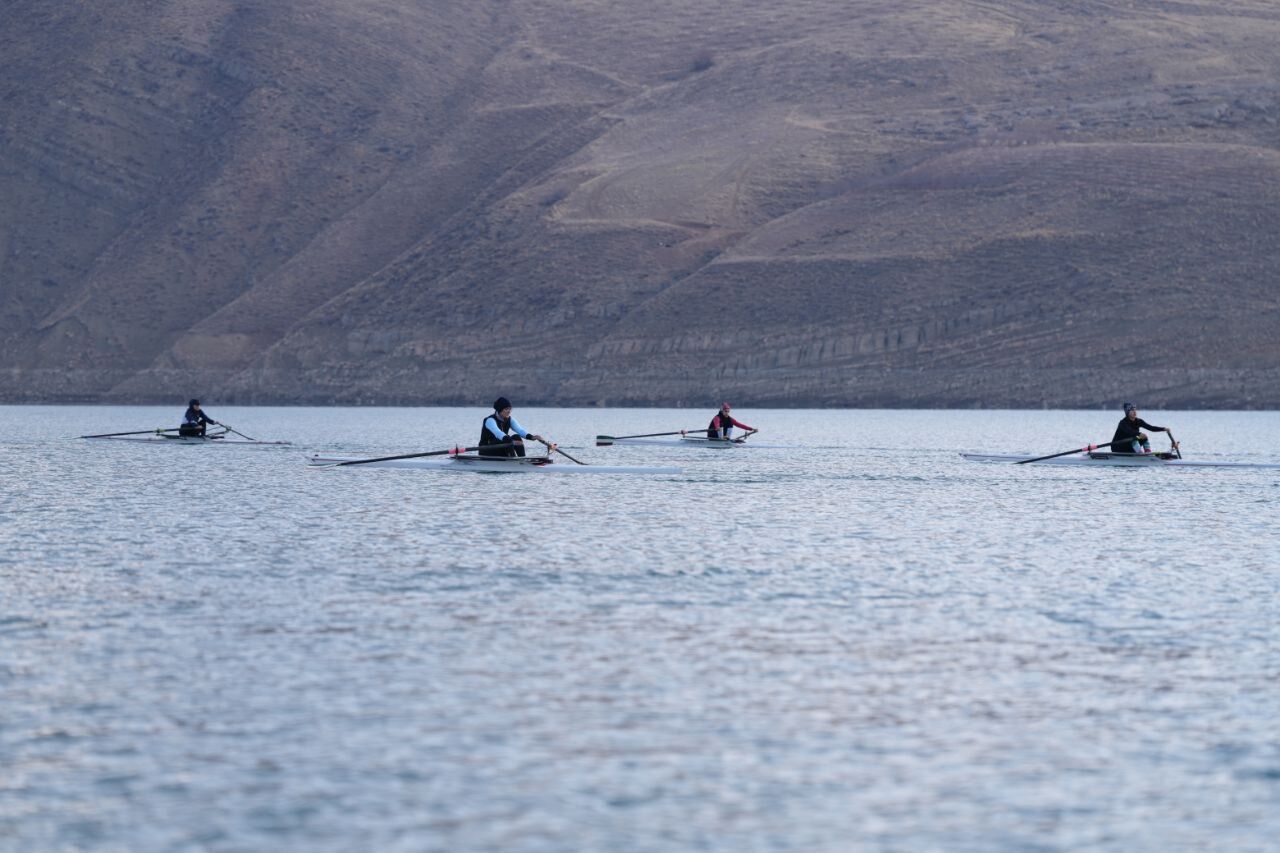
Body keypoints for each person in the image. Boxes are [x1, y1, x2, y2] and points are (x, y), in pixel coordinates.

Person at [478, 397, 554, 458]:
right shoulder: (490, 420)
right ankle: (513, 461)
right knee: (507, 439)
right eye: (506, 409)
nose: (509, 411)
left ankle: (522, 460)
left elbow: (520, 430)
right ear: (500, 410)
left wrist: (533, 437)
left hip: (501, 447)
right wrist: (512, 442)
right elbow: (498, 433)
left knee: (516, 437)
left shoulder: (509, 419)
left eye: (510, 409)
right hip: (487, 450)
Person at [1110, 403, 1175, 454]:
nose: (1134, 411)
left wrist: (1163, 429)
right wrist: (1139, 434)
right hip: (1117, 446)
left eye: (1135, 409)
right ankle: (1140, 455)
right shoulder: (1122, 423)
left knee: (1144, 438)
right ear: (1127, 412)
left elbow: (1151, 428)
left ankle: (1147, 453)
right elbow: (1130, 431)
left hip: (1128, 445)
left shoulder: (1139, 421)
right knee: (1135, 438)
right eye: (1132, 410)